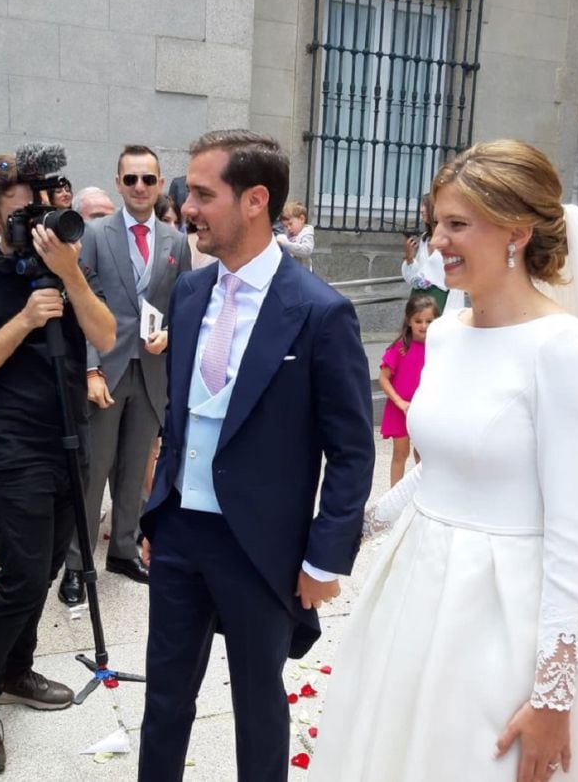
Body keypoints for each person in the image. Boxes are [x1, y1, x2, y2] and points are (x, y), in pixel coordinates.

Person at [310, 140, 578, 781]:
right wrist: (357, 527)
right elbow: (447, 465)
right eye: (436, 222)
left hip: (500, 604)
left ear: (517, 232)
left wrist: (553, 696)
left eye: (457, 224)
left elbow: (574, 534)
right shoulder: (452, 331)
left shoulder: (563, 350)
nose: (438, 240)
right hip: (415, 581)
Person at [137, 130, 374, 782]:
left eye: (204, 193)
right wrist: (158, 510)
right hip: (182, 532)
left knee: (258, 704)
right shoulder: (189, 294)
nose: (187, 207)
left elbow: (353, 450)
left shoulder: (321, 313)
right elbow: (180, 419)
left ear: (255, 200)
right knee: (163, 699)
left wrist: (326, 553)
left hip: (261, 544)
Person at [0, 153, 115, 773]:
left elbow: (106, 335)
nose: (37, 226)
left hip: (71, 441)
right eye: (21, 215)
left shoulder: (65, 267)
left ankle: (16, 669)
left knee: (41, 572)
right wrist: (23, 319)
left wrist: (70, 277)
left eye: (43, 213)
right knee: (19, 579)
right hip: (14, 450)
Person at [60, 145, 191, 604]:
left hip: (152, 370)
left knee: (137, 470)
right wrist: (91, 367)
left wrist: (172, 334)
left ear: (159, 183)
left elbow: (184, 303)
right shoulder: (95, 234)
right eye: (130, 179)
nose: (139, 187)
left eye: (148, 179)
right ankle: (76, 563)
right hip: (107, 369)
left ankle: (122, 548)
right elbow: (79, 303)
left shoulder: (175, 241)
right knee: (93, 471)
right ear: (118, 183)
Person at [379, 295, 437, 486]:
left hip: (425, 408)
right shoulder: (400, 348)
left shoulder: (437, 348)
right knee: (400, 452)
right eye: (418, 321)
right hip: (400, 409)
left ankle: (425, 490)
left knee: (424, 452)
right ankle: (394, 495)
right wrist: (399, 402)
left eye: (429, 321)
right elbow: (384, 378)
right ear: (409, 321)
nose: (424, 326)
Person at [401, 192, 449, 314]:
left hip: (441, 298)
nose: (422, 210)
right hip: (419, 298)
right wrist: (409, 257)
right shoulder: (425, 238)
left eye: (426, 206)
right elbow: (414, 278)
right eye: (422, 205)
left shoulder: (449, 240)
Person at [274, 200, 315, 270]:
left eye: (290, 224)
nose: (289, 228)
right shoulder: (289, 235)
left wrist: (285, 244)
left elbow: (307, 250)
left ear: (301, 219)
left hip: (303, 273)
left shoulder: (306, 233)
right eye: (286, 226)